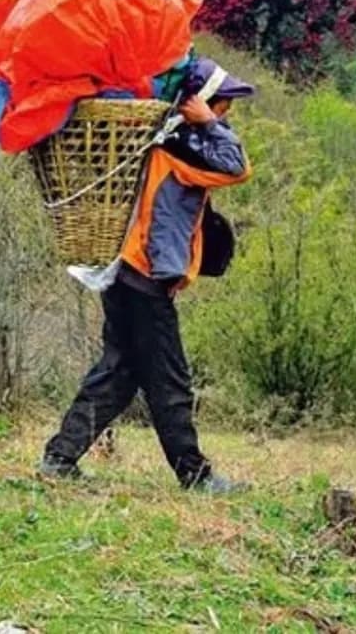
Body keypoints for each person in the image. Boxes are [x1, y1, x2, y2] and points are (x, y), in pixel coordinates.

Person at [39, 55, 253, 493]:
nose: (226, 111)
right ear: (197, 100)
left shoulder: (157, 139)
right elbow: (235, 167)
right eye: (222, 102)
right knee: (170, 379)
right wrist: (209, 122)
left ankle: (60, 457)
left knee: (120, 373)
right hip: (144, 276)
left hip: (124, 273)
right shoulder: (176, 143)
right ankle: (195, 476)